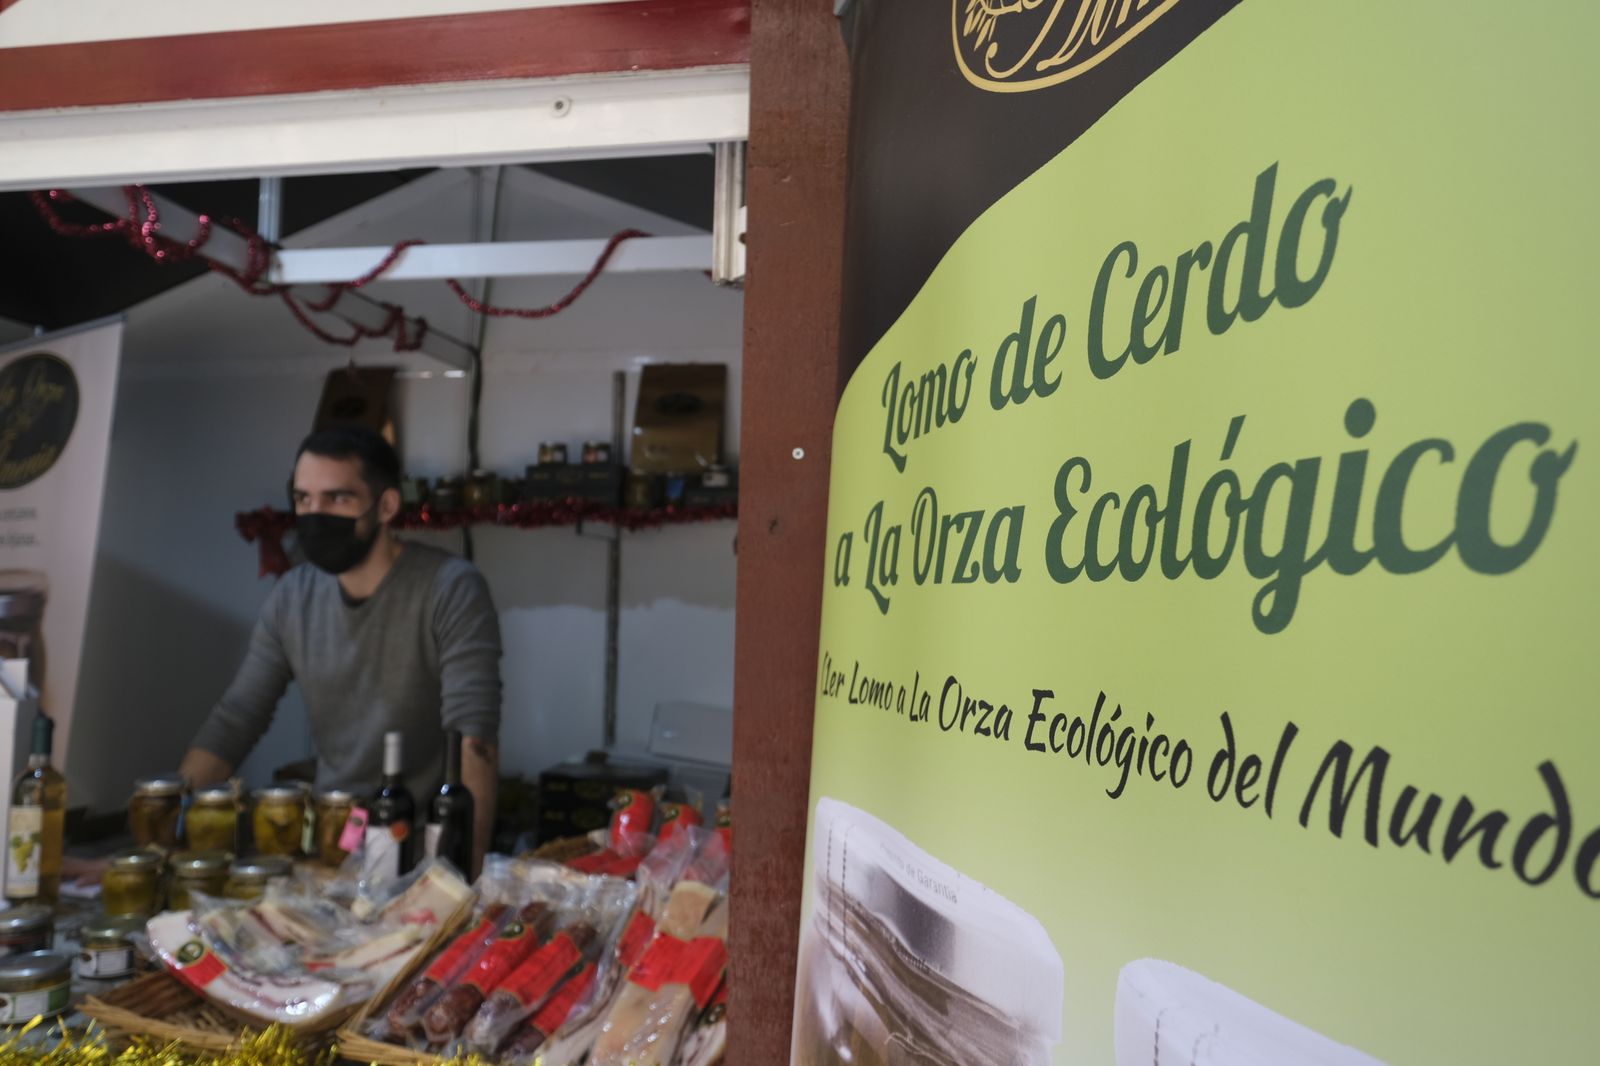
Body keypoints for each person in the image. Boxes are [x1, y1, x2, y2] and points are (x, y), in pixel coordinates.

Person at [181, 426, 503, 873]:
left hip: (421, 846)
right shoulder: (293, 597)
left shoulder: (450, 589)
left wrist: (464, 877)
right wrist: (166, 822)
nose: (315, 515)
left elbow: (476, 737)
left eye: (336, 498)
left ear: (386, 506)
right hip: (334, 842)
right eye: (303, 499)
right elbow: (238, 717)